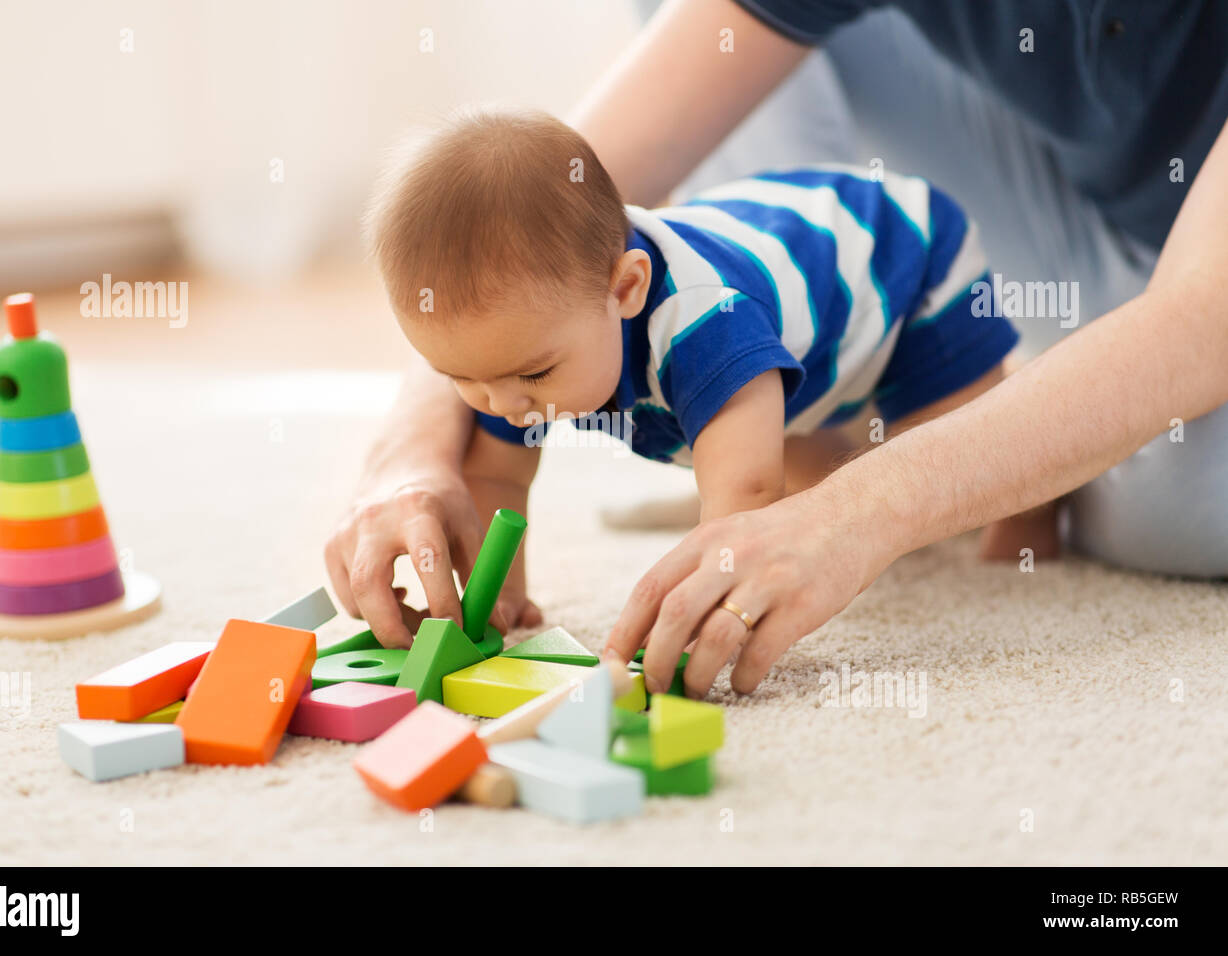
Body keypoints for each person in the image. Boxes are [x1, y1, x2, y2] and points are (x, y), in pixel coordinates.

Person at [326, 0, 1228, 700]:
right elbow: (536, 208)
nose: (503, 403)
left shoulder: (707, 333)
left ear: (629, 289)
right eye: (469, 381)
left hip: (914, 260)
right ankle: (855, 434)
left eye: (526, 377)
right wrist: (421, 456)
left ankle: (1020, 467)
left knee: (1161, 514)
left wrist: (806, 542)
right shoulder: (522, 367)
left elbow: (739, 515)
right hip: (1074, 180)